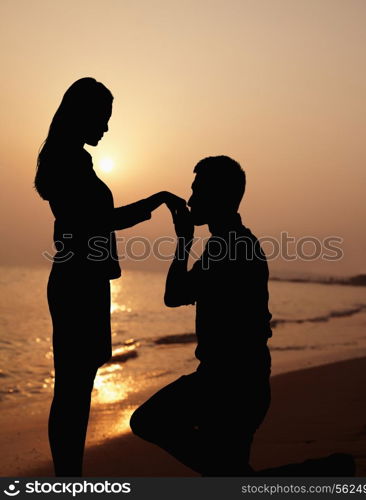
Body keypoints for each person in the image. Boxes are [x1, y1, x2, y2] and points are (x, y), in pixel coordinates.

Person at [34, 77, 184, 476]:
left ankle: (70, 474)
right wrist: (159, 200)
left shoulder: (68, 158)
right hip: (77, 282)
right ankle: (69, 478)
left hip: (83, 280)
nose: (105, 128)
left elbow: (98, 221)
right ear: (81, 116)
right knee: (72, 388)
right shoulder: (68, 160)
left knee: (76, 385)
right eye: (102, 118)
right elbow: (102, 220)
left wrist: (159, 200)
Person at [130, 155, 272, 476]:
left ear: (217, 197)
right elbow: (180, 295)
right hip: (242, 380)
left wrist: (183, 242)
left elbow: (174, 295)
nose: (191, 200)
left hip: (228, 384)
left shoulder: (229, 248)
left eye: (197, 192)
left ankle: (310, 474)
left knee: (148, 421)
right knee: (229, 474)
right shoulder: (229, 243)